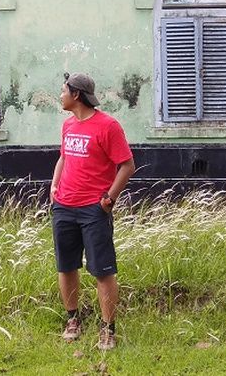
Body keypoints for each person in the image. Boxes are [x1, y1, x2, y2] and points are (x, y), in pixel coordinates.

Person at [50, 72, 135, 350]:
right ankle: (73, 320)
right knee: (66, 266)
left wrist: (109, 199)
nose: (60, 95)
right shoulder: (68, 125)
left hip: (92, 211)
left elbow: (127, 165)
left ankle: (108, 329)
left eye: (63, 90)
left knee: (102, 271)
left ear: (76, 95)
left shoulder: (108, 126)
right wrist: (54, 185)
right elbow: (64, 156)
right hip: (64, 206)